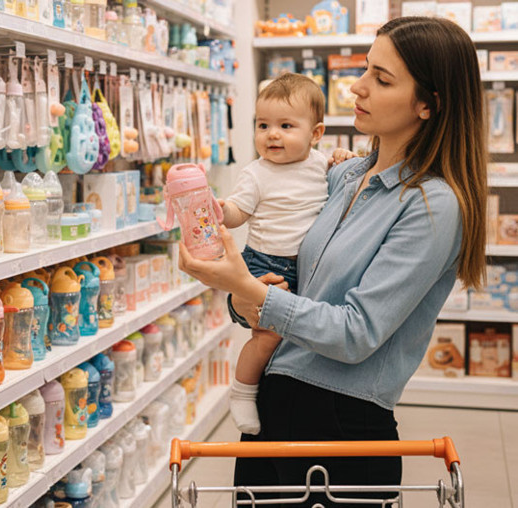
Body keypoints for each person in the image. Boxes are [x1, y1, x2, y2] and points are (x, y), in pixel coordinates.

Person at [179, 16, 486, 507]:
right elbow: (297, 290)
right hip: (274, 403)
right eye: (365, 69)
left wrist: (253, 290)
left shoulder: (432, 205)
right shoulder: (341, 177)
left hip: (343, 424)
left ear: (429, 104)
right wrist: (243, 295)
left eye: (381, 79)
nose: (357, 87)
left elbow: (355, 333)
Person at [221, 72, 354, 435]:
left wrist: (342, 157)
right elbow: (238, 212)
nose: (272, 134)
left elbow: (341, 175)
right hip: (264, 263)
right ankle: (243, 391)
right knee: (265, 337)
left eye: (285, 125)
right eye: (262, 125)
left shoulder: (320, 165)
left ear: (316, 134)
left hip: (308, 268)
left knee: (300, 333)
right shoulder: (256, 173)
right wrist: (221, 212)